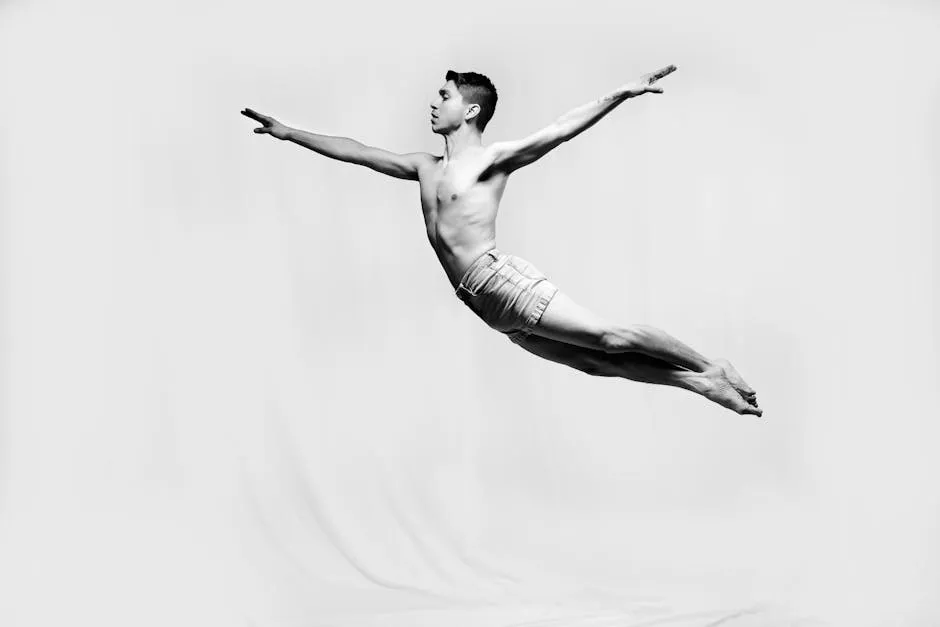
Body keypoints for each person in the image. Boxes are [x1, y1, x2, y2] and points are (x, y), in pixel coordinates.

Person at [241, 66, 762, 416]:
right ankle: (700, 384)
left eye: (444, 96)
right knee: (595, 362)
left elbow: (558, 130)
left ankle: (709, 365)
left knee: (610, 338)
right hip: (482, 303)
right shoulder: (425, 167)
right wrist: (290, 132)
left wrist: (619, 94)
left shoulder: (490, 161)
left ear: (470, 110)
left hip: (499, 281)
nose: (434, 102)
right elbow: (355, 150)